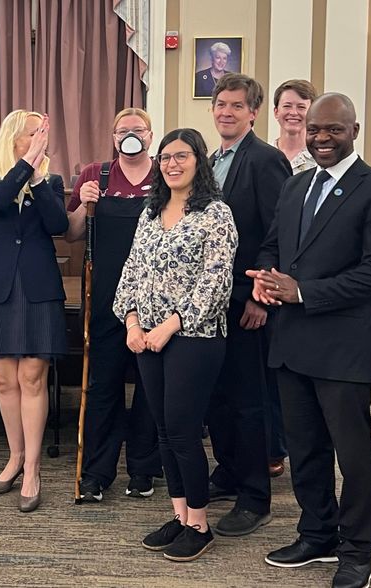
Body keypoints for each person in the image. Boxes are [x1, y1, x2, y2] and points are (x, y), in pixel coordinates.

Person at [249, 93, 371, 588]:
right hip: (291, 342)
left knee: (352, 451)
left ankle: (358, 547)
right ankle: (317, 532)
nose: (320, 138)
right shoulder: (295, 187)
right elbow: (275, 243)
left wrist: (304, 292)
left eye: (332, 130)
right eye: (315, 130)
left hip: (343, 346)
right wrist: (266, 276)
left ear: (354, 130)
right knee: (305, 446)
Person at [115, 128, 238, 562]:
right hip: (146, 337)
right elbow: (131, 271)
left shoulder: (216, 214)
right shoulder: (150, 213)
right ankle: (180, 514)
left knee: (184, 432)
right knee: (163, 431)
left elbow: (216, 283)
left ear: (199, 161)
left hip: (194, 338)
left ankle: (200, 526)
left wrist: (171, 324)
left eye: (181, 156)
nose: (171, 164)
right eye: (165, 157)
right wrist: (131, 320)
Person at [0, 110, 68, 513]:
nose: (42, 138)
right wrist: (26, 165)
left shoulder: (51, 181)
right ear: (14, 137)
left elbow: (57, 224)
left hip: (38, 285)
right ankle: (14, 458)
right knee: (5, 380)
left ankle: (33, 470)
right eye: (34, 133)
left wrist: (39, 176)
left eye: (44, 132)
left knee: (32, 377)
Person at [204, 73, 292, 537]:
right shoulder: (210, 160)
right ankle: (229, 470)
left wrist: (262, 296)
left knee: (248, 401)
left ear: (254, 113)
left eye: (237, 106)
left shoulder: (265, 159)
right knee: (216, 397)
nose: (226, 112)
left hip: (246, 301)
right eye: (221, 104)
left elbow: (277, 232)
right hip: (207, 303)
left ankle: (255, 495)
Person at [67, 107, 162, 502]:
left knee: (150, 388)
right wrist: (80, 205)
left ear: (150, 135)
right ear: (113, 137)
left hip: (155, 299)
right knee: (102, 387)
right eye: (123, 131)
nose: (130, 136)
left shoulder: (166, 172)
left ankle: (143, 469)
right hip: (105, 298)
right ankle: (96, 473)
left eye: (138, 130)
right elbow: (72, 234)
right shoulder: (96, 175)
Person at [273, 79, 318, 174]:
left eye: (301, 107)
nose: (293, 113)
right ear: (276, 112)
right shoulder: (261, 156)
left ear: (312, 113)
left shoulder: (320, 159)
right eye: (287, 106)